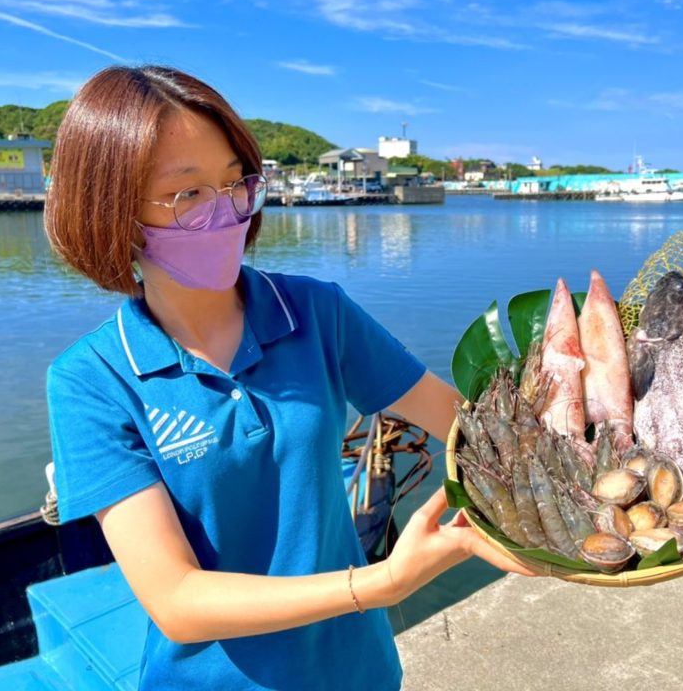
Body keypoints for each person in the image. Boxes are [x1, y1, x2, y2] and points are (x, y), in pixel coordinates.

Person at [44, 65, 531, 691]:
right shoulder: (93, 379)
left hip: (357, 672)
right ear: (111, 212)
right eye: (187, 195)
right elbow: (177, 600)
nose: (226, 216)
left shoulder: (314, 312)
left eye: (234, 184)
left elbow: (465, 427)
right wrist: (381, 583)